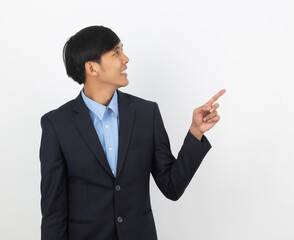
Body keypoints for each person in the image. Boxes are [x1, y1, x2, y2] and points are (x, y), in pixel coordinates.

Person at [39, 25, 226, 240]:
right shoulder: (57, 124)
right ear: (92, 68)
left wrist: (195, 133)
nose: (125, 59)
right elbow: (53, 212)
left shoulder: (147, 113)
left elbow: (171, 186)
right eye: (116, 52)